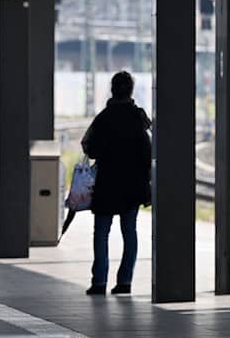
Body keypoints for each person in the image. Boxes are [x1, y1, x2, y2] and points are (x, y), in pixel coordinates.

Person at [81, 71, 151, 295]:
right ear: (131, 91)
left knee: (101, 232)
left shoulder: (104, 118)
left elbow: (90, 149)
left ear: (112, 90)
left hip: (107, 184)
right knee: (129, 231)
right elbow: (147, 153)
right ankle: (124, 282)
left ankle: (99, 281)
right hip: (132, 185)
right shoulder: (139, 118)